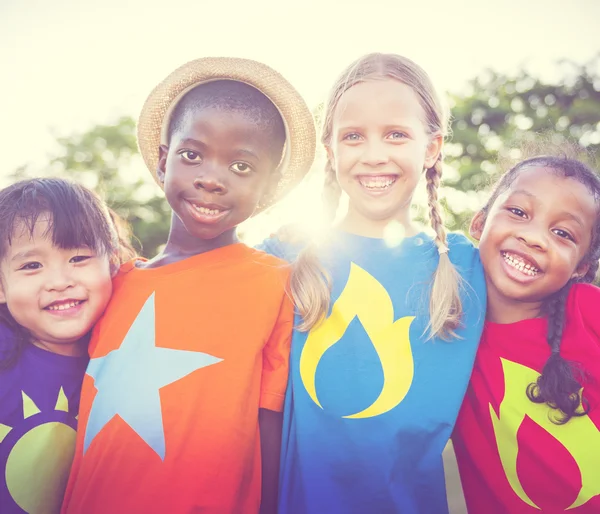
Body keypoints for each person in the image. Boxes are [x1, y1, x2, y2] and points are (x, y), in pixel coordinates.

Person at [61, 57, 316, 514]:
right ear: (163, 161)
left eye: (241, 166)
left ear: (269, 186)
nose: (210, 179)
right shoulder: (111, 282)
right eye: (192, 155)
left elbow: (269, 423)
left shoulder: (275, 284)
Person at [261, 52, 486, 514]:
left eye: (397, 134)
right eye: (354, 136)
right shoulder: (283, 260)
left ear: (432, 147)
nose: (374, 155)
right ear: (331, 151)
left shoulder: (468, 268)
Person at [453, 150, 600, 513]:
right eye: (518, 212)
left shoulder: (589, 312)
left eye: (562, 232)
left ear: (581, 266)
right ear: (479, 223)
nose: (534, 238)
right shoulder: (446, 327)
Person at [0, 177, 130, 514]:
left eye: (79, 258)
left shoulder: (130, 351)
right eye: (32, 265)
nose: (60, 281)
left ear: (113, 261)